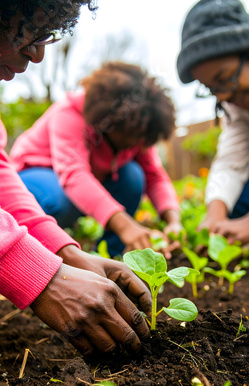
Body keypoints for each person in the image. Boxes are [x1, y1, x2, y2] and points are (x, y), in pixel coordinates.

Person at [0, 0, 152, 358]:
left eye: (45, 36)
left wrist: (66, 253)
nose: (37, 55)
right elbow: (74, 175)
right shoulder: (72, 110)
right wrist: (41, 276)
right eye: (26, 29)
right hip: (41, 179)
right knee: (57, 196)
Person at [10, 61, 182, 258]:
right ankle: (37, 257)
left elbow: (155, 176)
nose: (135, 143)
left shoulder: (139, 128)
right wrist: (126, 226)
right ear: (110, 122)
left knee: (133, 176)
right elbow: (74, 175)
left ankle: (110, 257)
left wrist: (173, 221)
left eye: (141, 138)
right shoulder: (69, 114)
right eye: (132, 136)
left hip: (79, 183)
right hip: (34, 177)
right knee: (57, 201)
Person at [177, 0, 249, 257]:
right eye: (212, 88)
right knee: (240, 195)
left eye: (224, 79)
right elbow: (230, 162)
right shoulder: (239, 102)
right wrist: (216, 213)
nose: (223, 95)